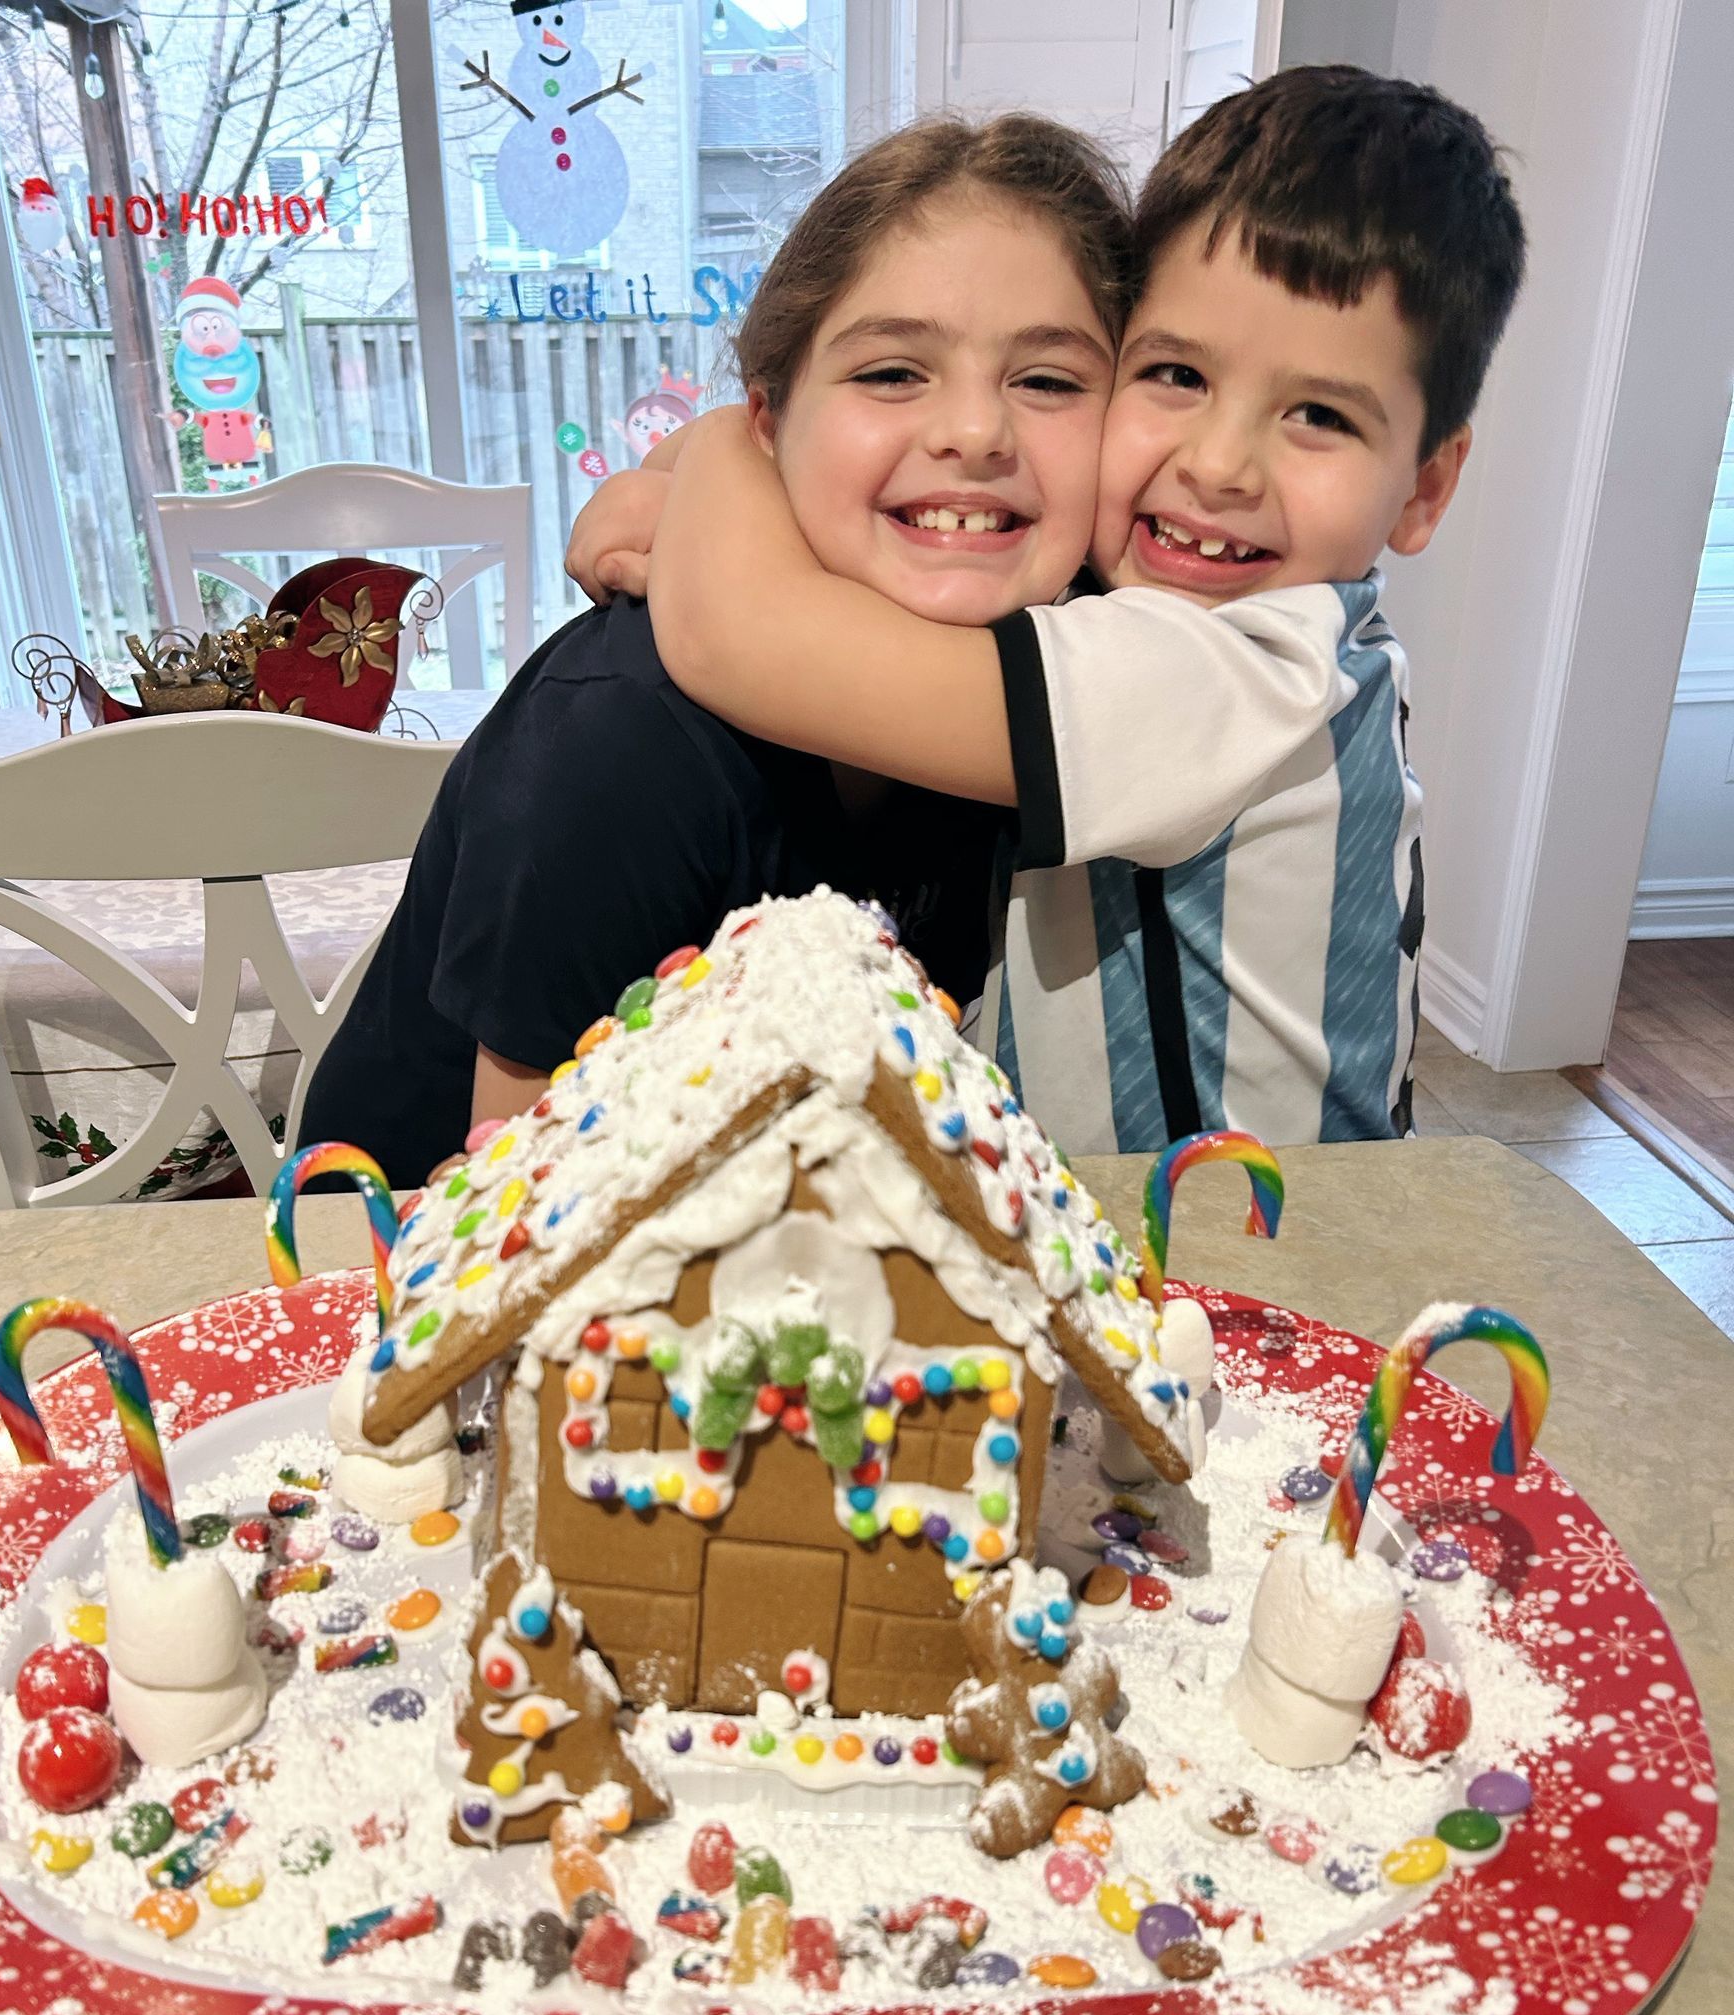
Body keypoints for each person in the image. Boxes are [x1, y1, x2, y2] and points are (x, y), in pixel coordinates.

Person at [569, 68, 1527, 1150]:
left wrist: (712, 452)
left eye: (1318, 415)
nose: (1218, 465)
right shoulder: (1247, 626)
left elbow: (735, 637)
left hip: (1246, 1261)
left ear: (1428, 486)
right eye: (1173, 375)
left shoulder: (1227, 673)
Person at [299, 114, 1134, 1185]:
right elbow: (510, 1224)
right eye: (890, 373)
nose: (975, 432)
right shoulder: (622, 748)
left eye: (1050, 382)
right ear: (767, 426)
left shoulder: (1046, 680)